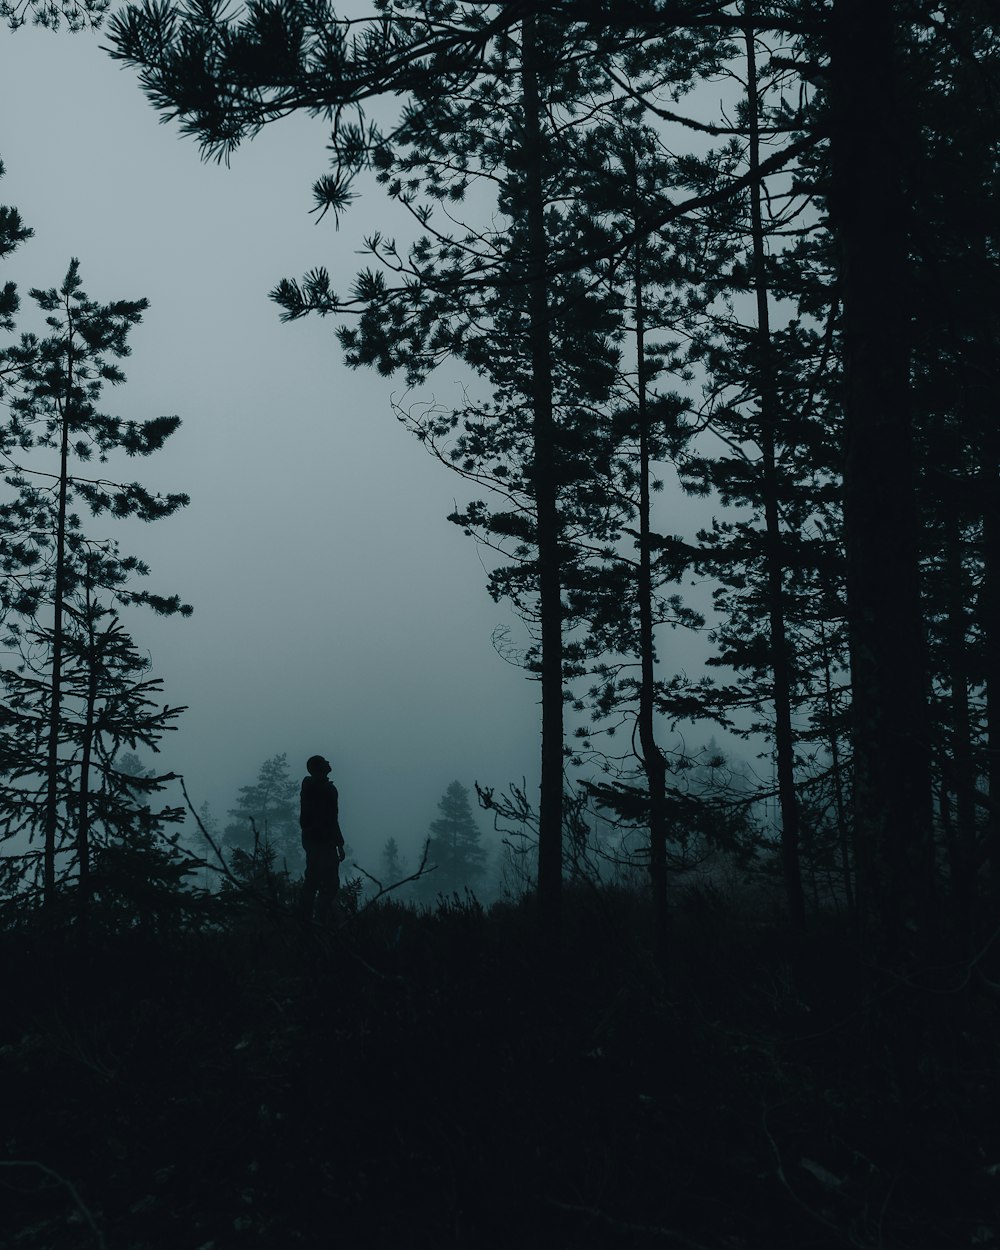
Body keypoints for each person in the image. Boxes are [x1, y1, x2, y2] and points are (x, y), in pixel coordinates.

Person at [299, 754, 346, 922]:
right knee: (330, 884)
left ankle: (304, 918)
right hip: (325, 842)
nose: (328, 762)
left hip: (310, 840)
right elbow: (332, 818)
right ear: (320, 768)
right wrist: (339, 844)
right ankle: (322, 919)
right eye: (325, 761)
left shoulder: (307, 786)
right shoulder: (328, 790)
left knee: (311, 879)